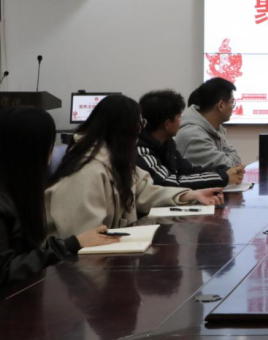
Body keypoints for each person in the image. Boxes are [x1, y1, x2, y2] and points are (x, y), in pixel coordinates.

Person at [46, 95, 223, 238]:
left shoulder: (114, 160)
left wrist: (191, 195)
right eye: (139, 125)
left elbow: (145, 191)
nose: (140, 132)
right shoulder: (87, 171)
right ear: (124, 130)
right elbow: (84, 238)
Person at [0, 107, 120, 287]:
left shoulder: (20, 190)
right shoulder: (6, 200)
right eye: (50, 144)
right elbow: (5, 271)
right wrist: (70, 244)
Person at [138, 90, 244, 190]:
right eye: (179, 117)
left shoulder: (167, 144)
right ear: (167, 124)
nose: (181, 121)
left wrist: (225, 170)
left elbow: (189, 170)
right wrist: (223, 177)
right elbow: (168, 182)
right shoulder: (141, 151)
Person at [175, 78, 242, 170]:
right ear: (221, 105)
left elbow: (236, 158)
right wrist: (231, 162)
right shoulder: (194, 136)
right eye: (232, 102)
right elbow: (227, 167)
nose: (233, 107)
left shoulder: (216, 127)